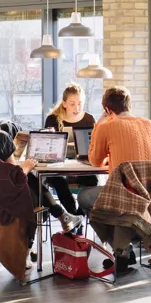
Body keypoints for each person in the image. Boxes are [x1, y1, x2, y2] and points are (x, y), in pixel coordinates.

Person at [79, 86, 151, 212]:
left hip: (124, 195)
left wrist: (98, 125)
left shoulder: (106, 127)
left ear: (108, 110)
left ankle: (110, 229)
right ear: (129, 106)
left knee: (83, 196)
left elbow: (95, 161)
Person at [41, 83, 97, 225]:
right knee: (59, 182)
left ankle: (81, 214)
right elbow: (48, 147)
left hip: (83, 165)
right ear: (64, 104)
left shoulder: (89, 119)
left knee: (92, 181)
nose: (77, 108)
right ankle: (73, 216)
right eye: (72, 104)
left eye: (80, 104)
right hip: (58, 165)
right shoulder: (53, 119)